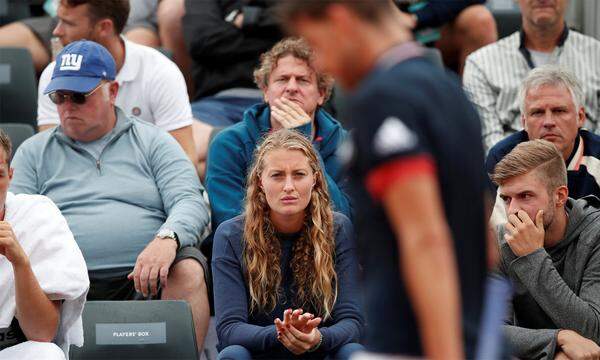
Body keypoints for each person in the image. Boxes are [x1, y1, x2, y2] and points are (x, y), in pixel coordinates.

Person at [280, 1, 488, 358]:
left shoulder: (383, 97)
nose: (324, 64)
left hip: (411, 344)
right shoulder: (449, 86)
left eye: (318, 45)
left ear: (340, 20)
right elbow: (484, 235)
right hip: (468, 335)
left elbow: (426, 239)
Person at [9, 40, 212, 352]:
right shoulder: (35, 152)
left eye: (78, 96)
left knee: (187, 268)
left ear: (113, 91)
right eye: (59, 96)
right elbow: (14, 215)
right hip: (65, 280)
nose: (66, 106)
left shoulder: (153, 141)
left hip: (148, 278)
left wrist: (167, 239)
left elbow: (190, 200)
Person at [212, 129, 364, 359]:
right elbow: (229, 329)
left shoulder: (338, 229)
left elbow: (353, 321)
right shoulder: (231, 235)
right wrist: (284, 333)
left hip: (321, 351)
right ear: (260, 181)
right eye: (277, 175)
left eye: (299, 174)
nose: (289, 186)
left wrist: (316, 338)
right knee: (232, 355)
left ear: (315, 179)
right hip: (261, 352)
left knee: (354, 352)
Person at [205, 37, 351, 256]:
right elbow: (231, 224)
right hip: (256, 260)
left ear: (321, 94)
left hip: (325, 258)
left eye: (303, 80)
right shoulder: (228, 144)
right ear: (265, 91)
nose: (291, 88)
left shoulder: (346, 146)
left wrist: (303, 145)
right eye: (282, 79)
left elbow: (345, 224)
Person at [35, 0, 197, 163]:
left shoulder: (160, 71)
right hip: (76, 184)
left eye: (69, 23)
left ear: (104, 27)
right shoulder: (52, 74)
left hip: (147, 184)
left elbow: (183, 160)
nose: (57, 31)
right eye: (60, 97)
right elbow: (50, 159)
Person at [491, 139, 600, 359]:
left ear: (559, 196)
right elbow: (489, 331)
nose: (512, 211)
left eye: (525, 196)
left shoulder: (595, 235)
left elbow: (593, 333)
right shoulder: (501, 240)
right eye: (506, 199)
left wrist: (533, 256)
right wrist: (558, 339)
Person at [463, 0, 600, 153]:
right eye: (537, 113)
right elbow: (490, 144)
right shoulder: (480, 64)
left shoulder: (597, 57)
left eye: (560, 111)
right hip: (512, 172)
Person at [0, 129, 89, 359]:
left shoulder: (37, 215)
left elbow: (42, 332)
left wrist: (20, 263)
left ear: (10, 176)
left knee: (46, 354)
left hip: (11, 349)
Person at [486, 65, 600, 229]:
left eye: (559, 111)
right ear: (524, 122)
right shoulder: (503, 157)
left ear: (580, 117)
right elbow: (494, 236)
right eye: (537, 112)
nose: (548, 122)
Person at [183, 0, 283, 128]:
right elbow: (202, 42)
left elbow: (305, 21)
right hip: (218, 103)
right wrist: (274, 37)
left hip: (289, 98)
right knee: (187, 133)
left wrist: (249, 18)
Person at [394, 0, 497, 74]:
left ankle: (473, 99)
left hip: (440, 24)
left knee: (479, 20)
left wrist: (417, 17)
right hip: (390, 23)